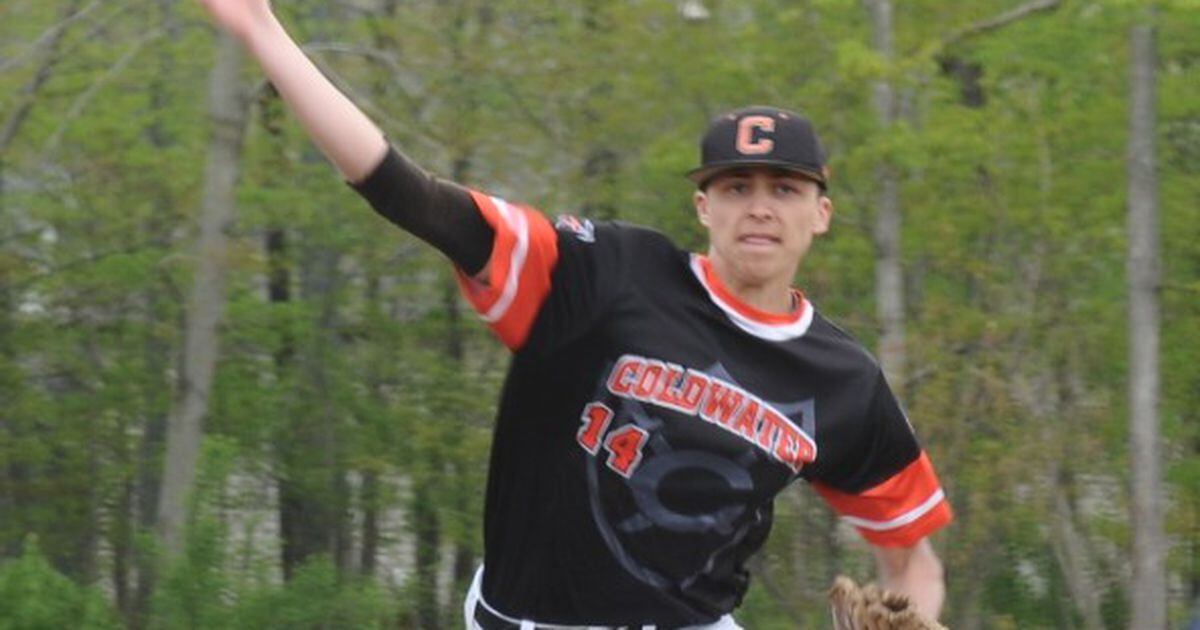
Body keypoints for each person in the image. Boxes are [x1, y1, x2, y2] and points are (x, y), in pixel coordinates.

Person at [196, 1, 953, 628]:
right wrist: (266, 33)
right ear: (703, 205)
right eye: (736, 187)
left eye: (784, 189)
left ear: (822, 213)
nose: (759, 207)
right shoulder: (607, 274)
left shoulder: (842, 379)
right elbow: (409, 194)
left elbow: (910, 554)